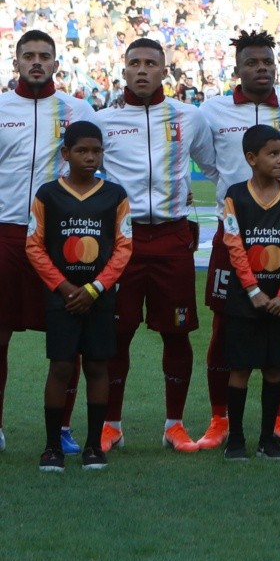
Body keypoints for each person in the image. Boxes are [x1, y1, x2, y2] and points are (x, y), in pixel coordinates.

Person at [197, 30, 280, 449]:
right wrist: (237, 198)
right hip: (233, 234)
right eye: (252, 63)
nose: (261, 69)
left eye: (267, 63)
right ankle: (221, 420)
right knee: (225, 330)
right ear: (237, 69)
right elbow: (209, 164)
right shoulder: (212, 111)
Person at [95, 38, 218, 454]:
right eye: (135, 63)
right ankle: (111, 424)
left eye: (151, 63)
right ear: (124, 69)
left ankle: (175, 424)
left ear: (165, 70)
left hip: (172, 237)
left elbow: (214, 165)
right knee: (117, 334)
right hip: (122, 241)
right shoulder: (104, 121)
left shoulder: (189, 116)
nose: (143, 70)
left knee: (177, 333)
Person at [0, 30, 95, 455]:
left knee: (66, 340)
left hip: (61, 239)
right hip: (5, 233)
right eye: (29, 56)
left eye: (45, 56)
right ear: (16, 61)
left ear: (57, 63)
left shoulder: (78, 109)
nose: (36, 62)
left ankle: (62, 428)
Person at [27, 121, 132, 473]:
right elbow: (34, 247)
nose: (90, 157)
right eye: (82, 151)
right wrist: (64, 287)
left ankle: (93, 446)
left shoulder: (114, 195)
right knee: (60, 366)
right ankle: (52, 447)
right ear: (66, 154)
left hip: (99, 297)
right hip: (62, 297)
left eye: (97, 151)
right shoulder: (47, 194)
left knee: (98, 366)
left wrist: (95, 288)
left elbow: (123, 248)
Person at [220, 125, 280, 462]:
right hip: (245, 299)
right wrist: (253, 289)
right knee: (240, 369)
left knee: (275, 369)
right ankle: (236, 439)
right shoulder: (235, 195)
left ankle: (268, 439)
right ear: (251, 158)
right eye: (273, 154)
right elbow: (234, 244)